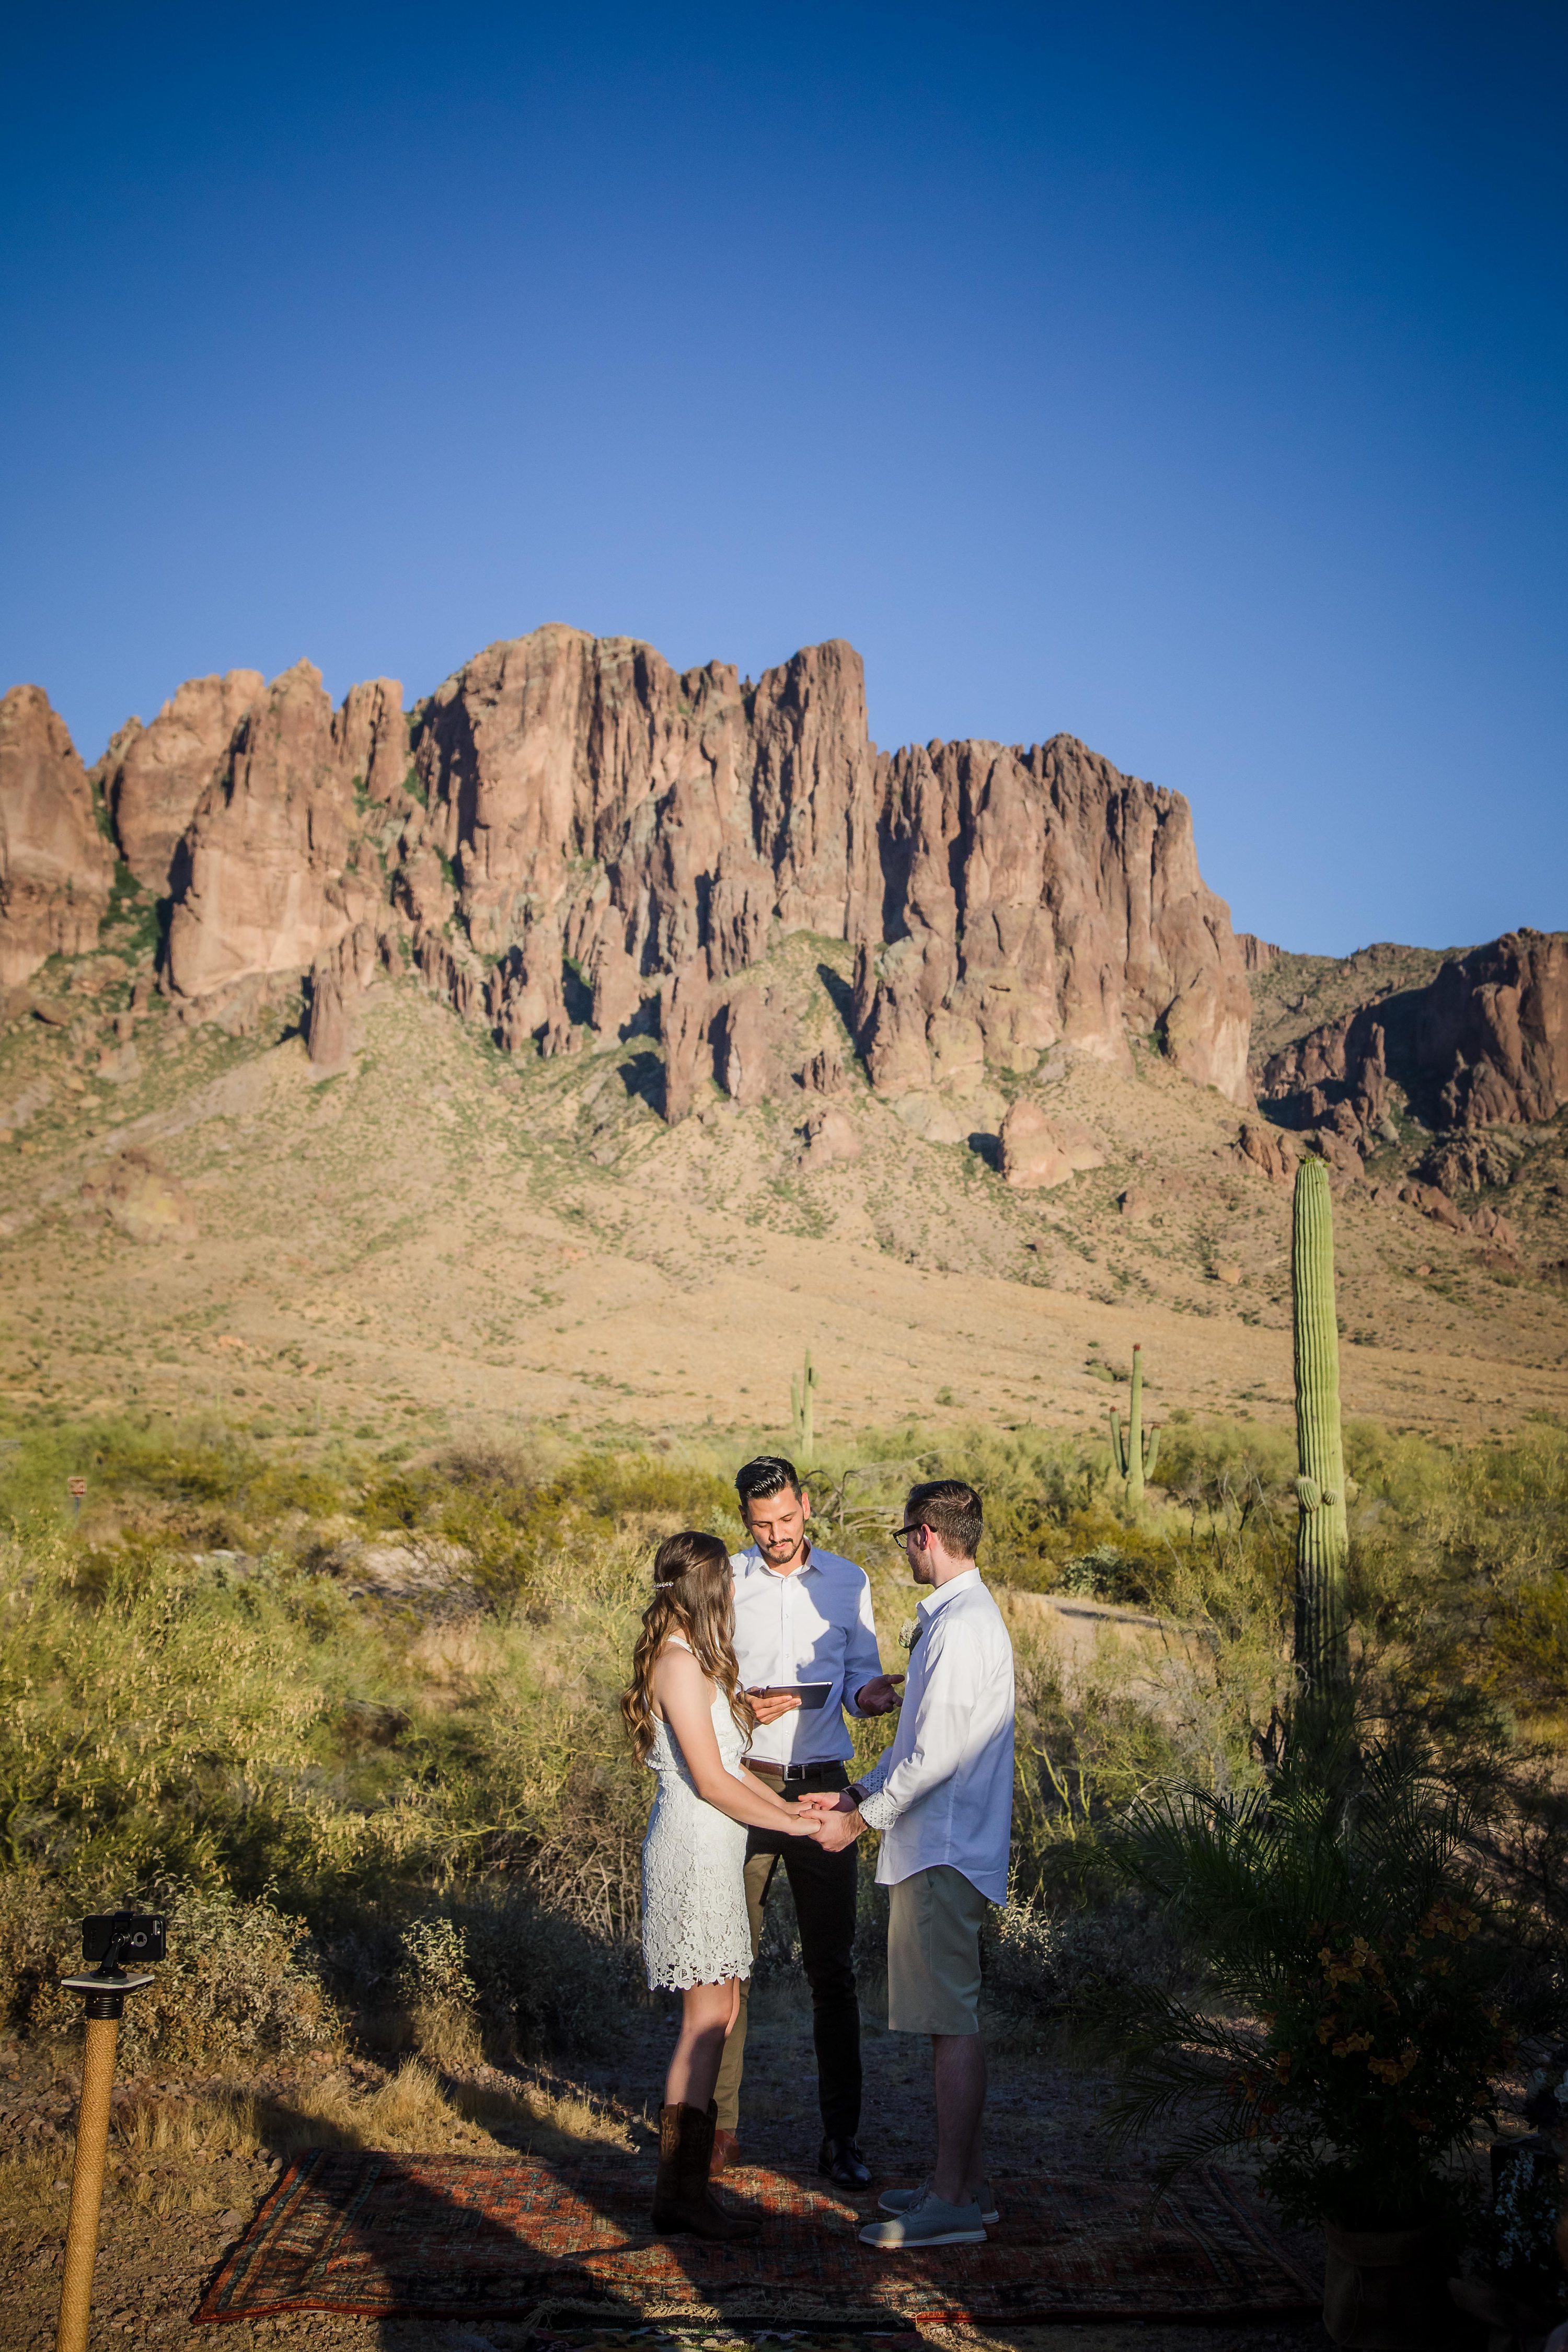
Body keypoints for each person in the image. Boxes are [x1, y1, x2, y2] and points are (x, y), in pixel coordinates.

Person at [801, 1478, 1014, 2250]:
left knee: (950, 2023)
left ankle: (953, 2200)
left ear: (926, 1534)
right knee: (946, 2021)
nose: (908, 1554)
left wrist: (862, 1818)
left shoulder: (961, 1627)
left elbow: (934, 1758)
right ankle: (961, 2186)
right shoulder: (957, 1620)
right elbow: (912, 1745)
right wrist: (856, 1789)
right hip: (938, 1843)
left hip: (945, 1847)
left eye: (906, 1539)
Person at [621, 1529, 825, 2239]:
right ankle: (679, 2194)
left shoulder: (696, 1660)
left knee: (724, 2012)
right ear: (704, 1587)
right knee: (704, 2023)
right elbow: (709, 1782)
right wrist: (797, 1830)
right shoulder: (679, 1664)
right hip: (695, 1851)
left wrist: (789, 1814)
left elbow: (736, 1771)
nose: (735, 1590)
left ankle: (688, 2186)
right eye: (727, 1581)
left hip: (718, 1847)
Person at [712, 1456, 905, 2188]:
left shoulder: (850, 1582)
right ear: (745, 1521)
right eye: (762, 1526)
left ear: (806, 1508)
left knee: (833, 1972)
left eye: (787, 1521)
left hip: (826, 1790)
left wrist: (873, 1698)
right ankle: (719, 2132)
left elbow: (859, 1683)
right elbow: (702, 1679)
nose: (776, 1536)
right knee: (729, 1966)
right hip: (744, 1783)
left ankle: (841, 2139)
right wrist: (741, 1707)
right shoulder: (725, 1581)